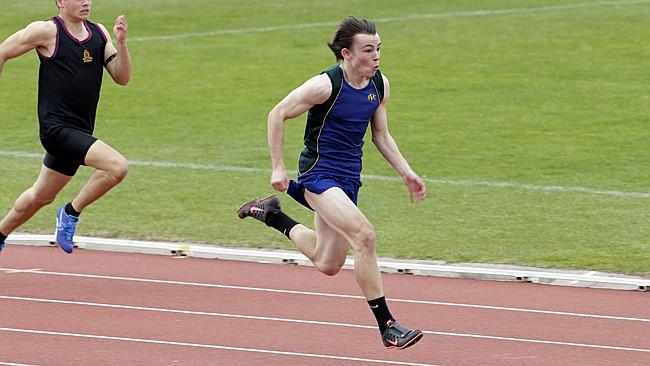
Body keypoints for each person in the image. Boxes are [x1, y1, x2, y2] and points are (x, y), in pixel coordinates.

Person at [238, 16, 426, 349]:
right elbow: (277, 114)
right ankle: (388, 325)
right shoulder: (325, 85)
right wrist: (278, 167)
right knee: (364, 235)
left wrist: (406, 172)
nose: (377, 56)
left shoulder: (379, 85)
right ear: (346, 54)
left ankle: (272, 214)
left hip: (348, 179)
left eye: (379, 48)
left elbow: (381, 135)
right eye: (368, 50)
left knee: (327, 263)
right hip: (319, 173)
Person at [0, 0, 131, 254]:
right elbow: (3, 50)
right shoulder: (47, 31)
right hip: (56, 130)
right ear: (60, 1)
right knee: (117, 167)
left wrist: (122, 44)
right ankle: (69, 213)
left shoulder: (99, 33)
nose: (86, 2)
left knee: (39, 197)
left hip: (80, 131)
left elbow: (121, 77)